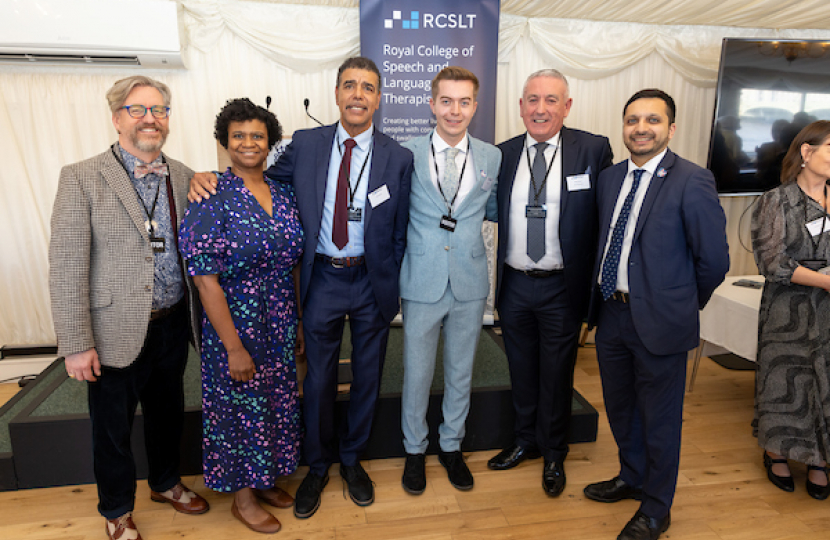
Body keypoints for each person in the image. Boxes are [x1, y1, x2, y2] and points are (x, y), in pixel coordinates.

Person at [188, 57, 413, 519]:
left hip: (371, 281)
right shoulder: (307, 144)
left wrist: (387, 274)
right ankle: (316, 465)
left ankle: (352, 462)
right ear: (336, 93)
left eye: (367, 87)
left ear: (378, 98)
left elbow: (400, 229)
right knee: (317, 378)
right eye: (349, 85)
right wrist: (201, 175)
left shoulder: (398, 156)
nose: (357, 94)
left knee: (368, 377)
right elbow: (255, 175)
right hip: (322, 280)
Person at [49, 76, 209, 540]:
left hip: (173, 322)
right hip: (112, 327)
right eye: (138, 110)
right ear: (117, 118)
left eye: (159, 110)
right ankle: (116, 508)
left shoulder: (181, 174)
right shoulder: (80, 176)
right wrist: (77, 344)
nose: (150, 119)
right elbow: (66, 265)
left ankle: (164, 483)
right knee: (112, 428)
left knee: (167, 413)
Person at [584, 89, 729, 540]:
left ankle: (656, 506)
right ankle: (632, 476)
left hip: (662, 322)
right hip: (612, 315)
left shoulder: (692, 179)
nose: (640, 128)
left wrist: (679, 302)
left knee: (660, 419)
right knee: (622, 408)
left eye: (652, 119)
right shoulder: (609, 179)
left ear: (671, 127)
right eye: (632, 120)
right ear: (623, 125)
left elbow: (715, 261)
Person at [178, 98, 303, 534]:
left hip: (281, 319)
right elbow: (205, 280)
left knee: (274, 402)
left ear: (270, 144)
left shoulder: (285, 193)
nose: (248, 143)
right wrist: (233, 346)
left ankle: (265, 479)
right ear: (223, 143)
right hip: (234, 323)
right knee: (239, 408)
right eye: (238, 136)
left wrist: (299, 322)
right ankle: (242, 497)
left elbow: (295, 264)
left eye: (257, 136)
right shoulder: (211, 195)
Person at [487, 69, 613, 497]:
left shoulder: (592, 151)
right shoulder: (501, 155)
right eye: (533, 100)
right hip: (516, 284)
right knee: (521, 369)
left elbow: (605, 219)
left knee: (557, 373)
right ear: (521, 106)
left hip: (562, 286)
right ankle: (525, 441)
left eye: (551, 100)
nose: (541, 109)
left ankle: (555, 451)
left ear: (567, 106)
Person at [398, 66, 501, 494]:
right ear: (432, 104)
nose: (454, 111)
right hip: (421, 278)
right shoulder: (406, 153)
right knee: (416, 372)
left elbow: (494, 208)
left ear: (475, 106)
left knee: (461, 371)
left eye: (463, 102)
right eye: (446, 101)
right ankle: (414, 450)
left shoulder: (492, 157)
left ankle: (451, 445)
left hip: (469, 279)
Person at [751, 120, 830, 501]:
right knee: (787, 382)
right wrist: (826, 281)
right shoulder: (775, 201)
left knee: (825, 384)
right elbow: (773, 263)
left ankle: (819, 457)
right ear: (806, 152)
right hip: (788, 314)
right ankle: (775, 451)